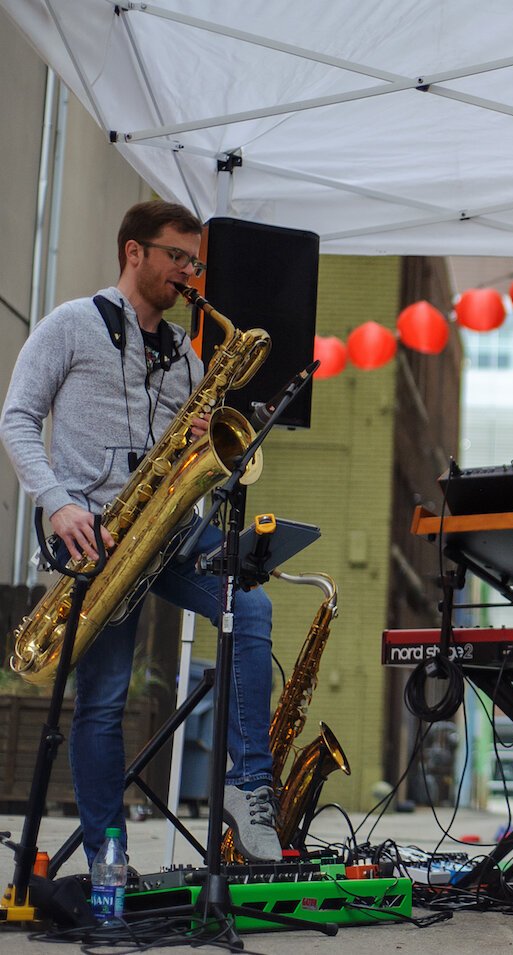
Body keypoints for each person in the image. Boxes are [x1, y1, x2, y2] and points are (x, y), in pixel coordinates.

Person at [0, 200, 282, 865]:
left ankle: (249, 786)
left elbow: (186, 457)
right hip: (96, 535)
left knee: (251, 604)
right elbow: (17, 420)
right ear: (135, 252)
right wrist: (58, 503)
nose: (190, 274)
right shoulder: (70, 325)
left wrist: (191, 446)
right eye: (178, 258)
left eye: (196, 261)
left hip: (169, 526)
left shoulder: (186, 357)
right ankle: (108, 856)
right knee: (102, 703)